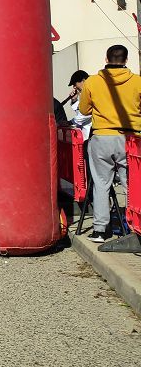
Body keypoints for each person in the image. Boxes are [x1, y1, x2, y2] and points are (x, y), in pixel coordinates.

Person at [78, 45, 141, 241]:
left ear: (106, 59)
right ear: (126, 60)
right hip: (131, 139)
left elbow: (84, 110)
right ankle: (134, 227)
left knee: (101, 184)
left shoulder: (93, 82)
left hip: (102, 137)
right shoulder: (138, 81)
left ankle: (99, 230)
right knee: (132, 185)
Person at [66, 69, 92, 140]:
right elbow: (82, 112)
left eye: (75, 84)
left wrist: (70, 122)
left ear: (83, 81)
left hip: (94, 138)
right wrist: (74, 100)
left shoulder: (93, 92)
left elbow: (87, 113)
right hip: (87, 138)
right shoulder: (86, 94)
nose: (74, 87)